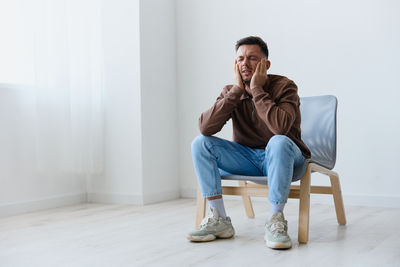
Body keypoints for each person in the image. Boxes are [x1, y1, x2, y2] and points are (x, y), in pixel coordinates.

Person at [186, 36, 311, 249]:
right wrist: (236, 92)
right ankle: (219, 220)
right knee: (200, 143)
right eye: (240, 59)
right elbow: (206, 128)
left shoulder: (285, 86)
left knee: (278, 141)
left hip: (288, 159)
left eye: (252, 58)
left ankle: (276, 220)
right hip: (248, 159)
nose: (245, 63)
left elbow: (280, 128)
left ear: (266, 64)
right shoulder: (231, 91)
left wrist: (257, 90)